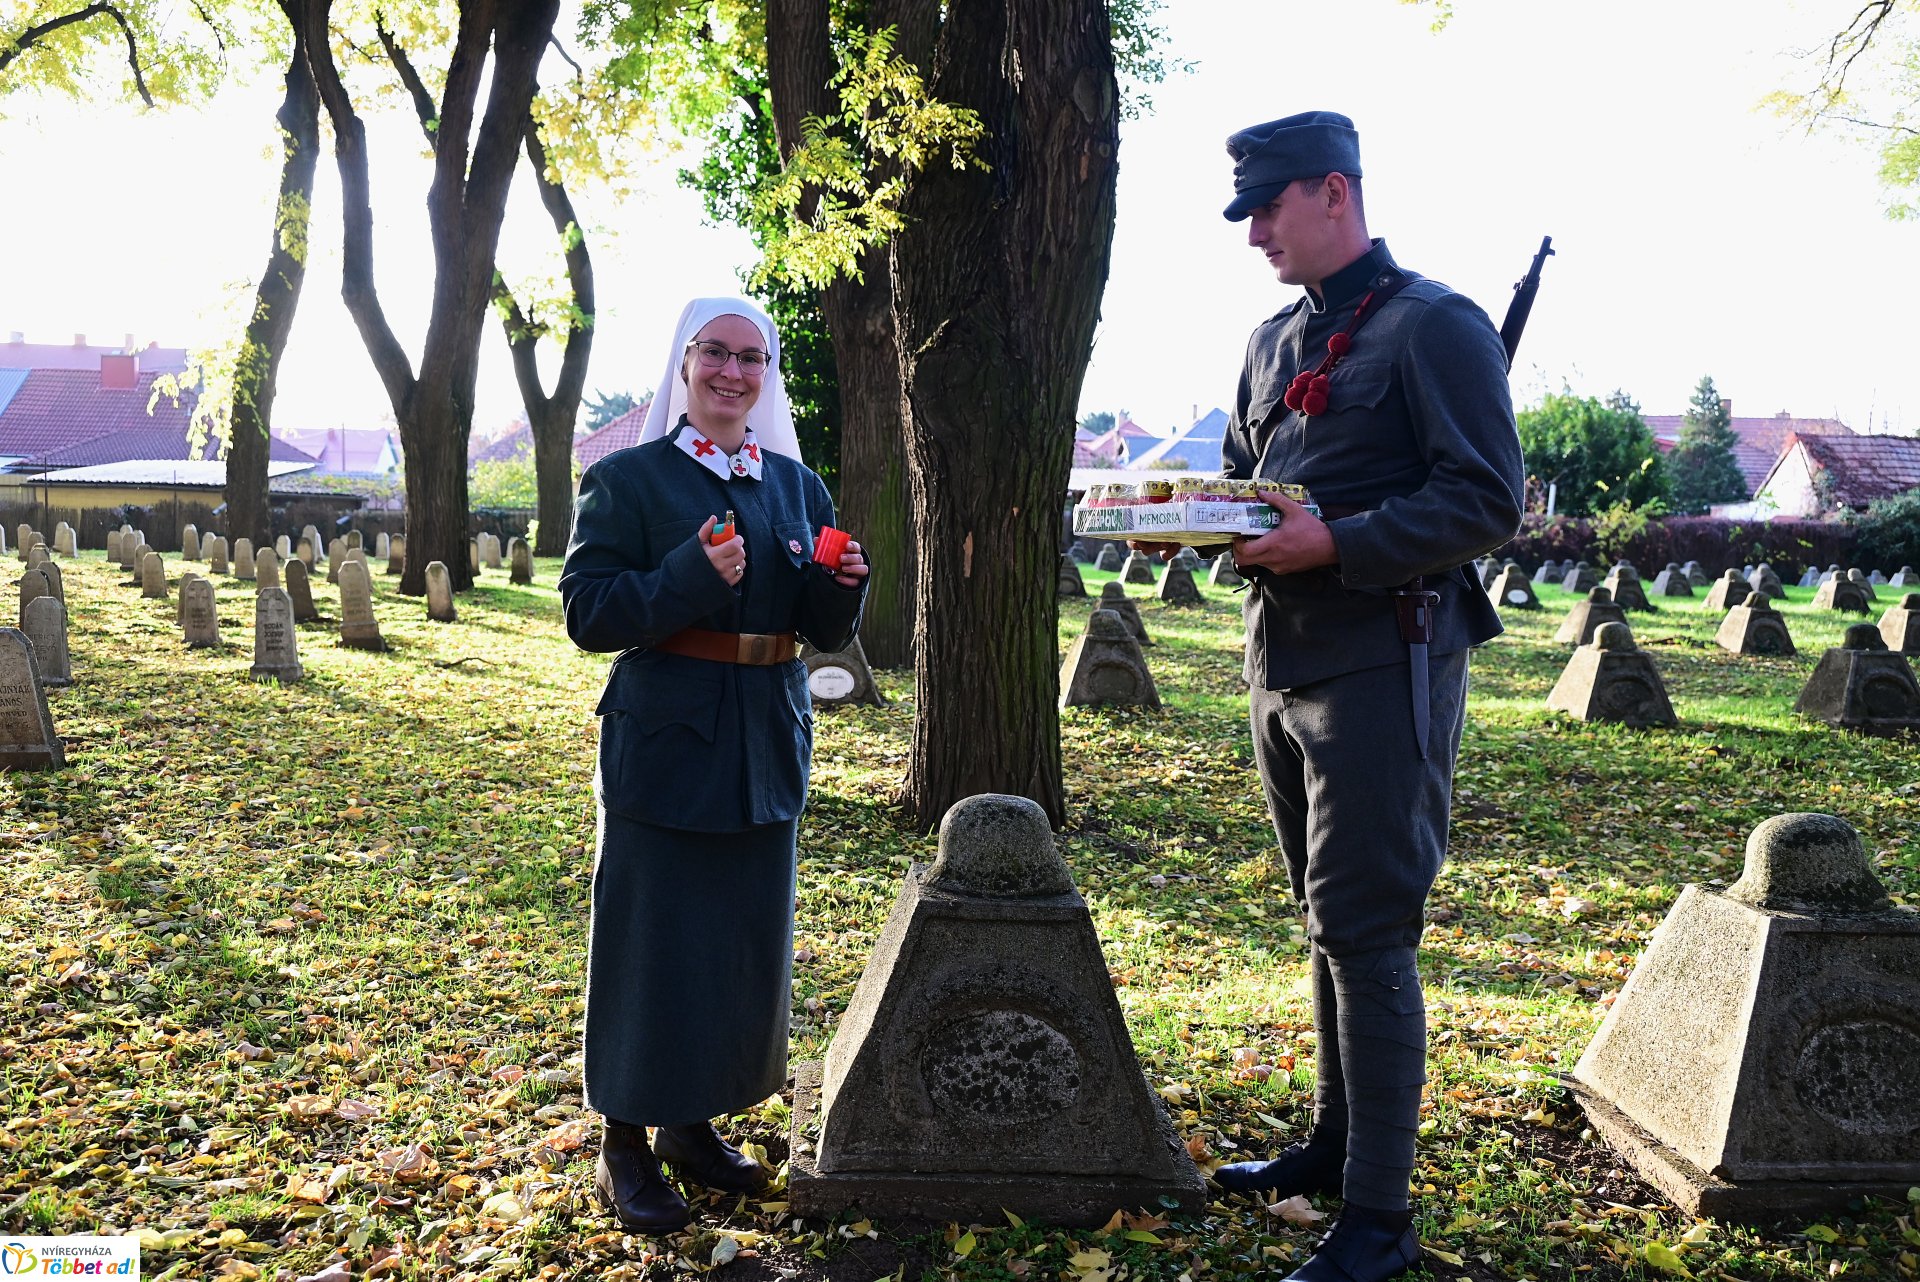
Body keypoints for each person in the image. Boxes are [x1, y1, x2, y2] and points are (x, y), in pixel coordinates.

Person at [1136, 112, 1523, 1282]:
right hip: (1281, 661)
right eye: (1246, 213)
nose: (1254, 233)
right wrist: (1201, 526)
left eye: (1268, 208)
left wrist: (1339, 542)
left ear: (1334, 193)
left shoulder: (1435, 326)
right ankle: (1335, 1144)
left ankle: (1381, 1216)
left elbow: (1486, 501)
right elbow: (1262, 493)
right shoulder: (1267, 343)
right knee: (1325, 919)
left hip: (1384, 657)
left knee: (1367, 928)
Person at [559, 296, 870, 1233]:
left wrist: (838, 590)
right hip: (665, 743)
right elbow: (588, 614)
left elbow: (821, 630)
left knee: (732, 945)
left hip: (765, 741)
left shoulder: (795, 487)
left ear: (766, 374)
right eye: (715, 355)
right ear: (684, 365)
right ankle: (624, 1140)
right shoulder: (629, 482)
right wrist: (686, 579)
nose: (733, 373)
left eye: (751, 358)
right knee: (651, 945)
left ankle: (689, 1128)